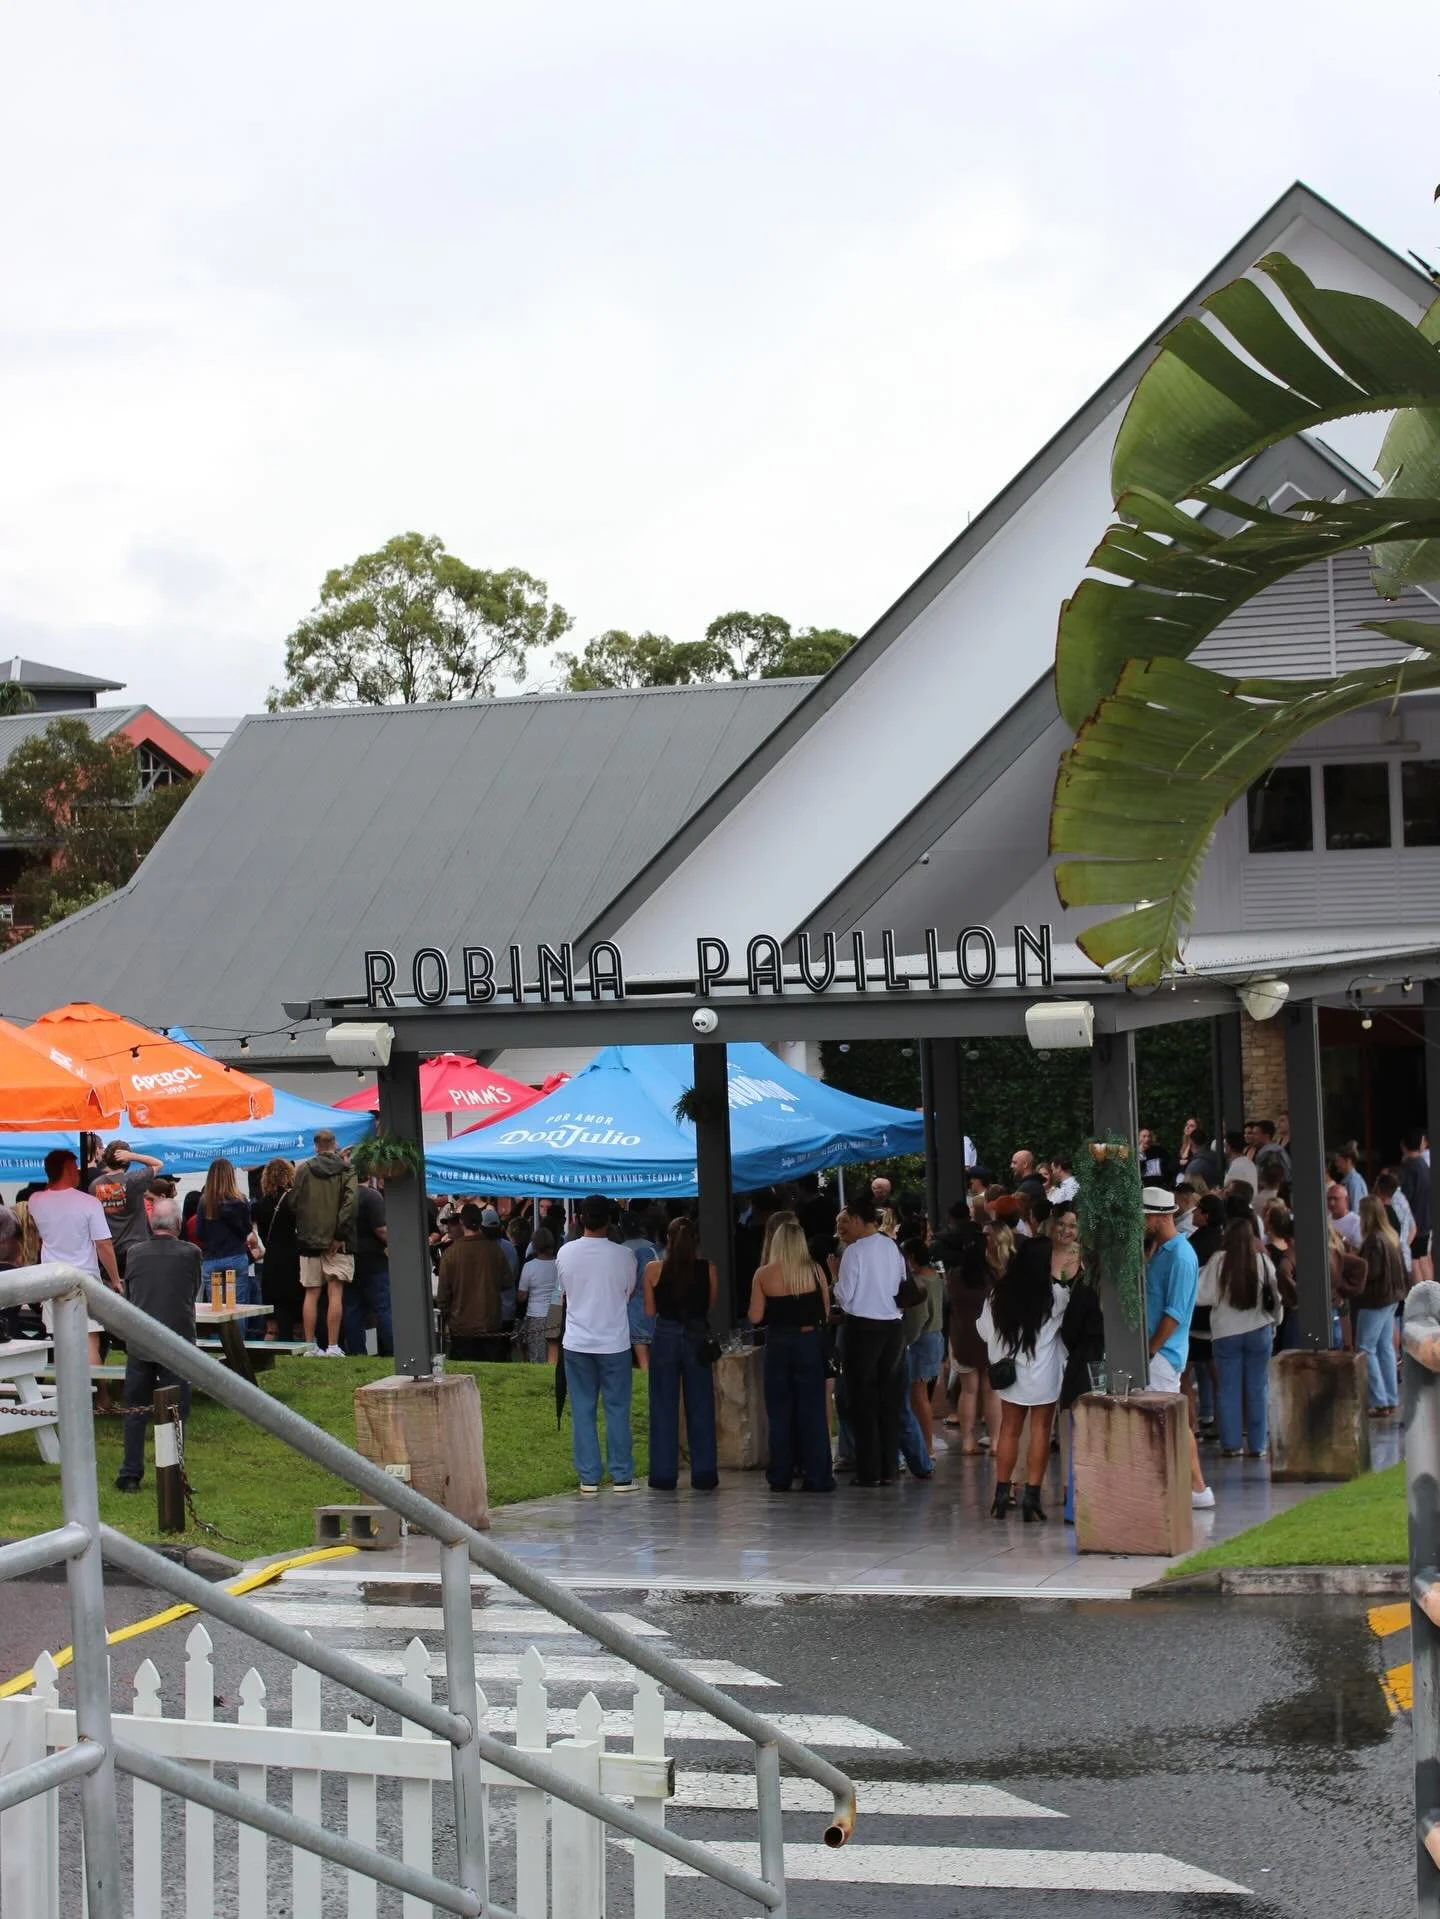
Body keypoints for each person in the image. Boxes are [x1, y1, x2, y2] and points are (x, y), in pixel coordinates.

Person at [113, 1198, 203, 1493]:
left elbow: (131, 1293)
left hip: (141, 1339)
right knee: (175, 1412)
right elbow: (193, 1290)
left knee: (135, 1409)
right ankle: (173, 1474)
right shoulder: (191, 1253)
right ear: (178, 1224)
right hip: (177, 1340)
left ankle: (130, 1473)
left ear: (152, 1225)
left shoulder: (134, 1253)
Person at [977, 1235, 1068, 1521]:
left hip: (1011, 1375)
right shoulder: (1056, 1296)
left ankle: (1002, 1495)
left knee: (1009, 1429)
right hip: (1043, 1375)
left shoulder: (998, 1294)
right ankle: (1032, 1497)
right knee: (1040, 1431)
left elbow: (984, 1331)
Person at [556, 1194, 637, 1493]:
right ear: (610, 1220)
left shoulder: (566, 1252)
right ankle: (621, 1474)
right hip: (614, 1341)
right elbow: (629, 1292)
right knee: (617, 1408)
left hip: (577, 1340)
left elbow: (564, 1293)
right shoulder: (625, 1255)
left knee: (582, 1409)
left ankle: (588, 1476)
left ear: (579, 1219)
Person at [749, 1214, 834, 1493]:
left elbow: (755, 1316)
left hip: (779, 1343)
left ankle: (781, 1475)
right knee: (813, 1410)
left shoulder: (763, 1274)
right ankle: (818, 1475)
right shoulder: (815, 1270)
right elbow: (825, 1312)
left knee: (779, 1410)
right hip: (809, 1342)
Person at [1142, 1187, 1213, 1510]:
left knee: (1169, 1421)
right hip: (1160, 1352)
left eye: (1145, 1217)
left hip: (1163, 1354)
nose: (1142, 1223)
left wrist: (1151, 1349)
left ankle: (1196, 1487)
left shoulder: (1181, 1256)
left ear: (1160, 1217)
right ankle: (1194, 1487)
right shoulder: (1163, 1250)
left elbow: (1175, 1312)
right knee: (1171, 1421)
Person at [832, 1190, 907, 1488]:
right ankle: (889, 1467)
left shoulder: (854, 1252)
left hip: (863, 1327)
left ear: (857, 1220)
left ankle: (869, 1471)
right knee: (889, 1400)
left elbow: (845, 1296)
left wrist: (834, 1278)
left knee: (863, 1400)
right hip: (893, 1327)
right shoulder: (892, 1246)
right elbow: (902, 1285)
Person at [28, 1149, 122, 1386]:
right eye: (76, 1166)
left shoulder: (35, 1201)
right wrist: (115, 1280)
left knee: (63, 1343)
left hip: (50, 1279)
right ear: (69, 1169)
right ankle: (99, 1396)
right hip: (84, 1279)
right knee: (89, 1342)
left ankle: (68, 1393)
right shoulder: (88, 1203)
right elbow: (103, 1244)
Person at [643, 1216, 719, 1492]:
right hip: (695, 1335)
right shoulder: (708, 1269)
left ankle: (663, 1474)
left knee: (663, 1405)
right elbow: (709, 1305)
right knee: (701, 1405)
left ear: (668, 1239)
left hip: (666, 1334)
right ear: (696, 1239)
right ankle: (705, 1473)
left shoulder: (653, 1269)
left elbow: (650, 1311)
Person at [1198, 1218, 1282, 1458]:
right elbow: (1276, 1297)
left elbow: (1201, 1296)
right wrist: (1276, 1322)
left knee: (1228, 1389)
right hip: (1260, 1330)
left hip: (1226, 1333)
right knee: (1258, 1389)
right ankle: (1258, 1445)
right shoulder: (1263, 1261)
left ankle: (1232, 1444)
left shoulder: (1218, 1261)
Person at [291, 1130, 358, 1357]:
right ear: (335, 1144)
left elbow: (293, 1201)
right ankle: (333, 1345)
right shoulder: (347, 1170)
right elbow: (350, 1204)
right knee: (335, 1293)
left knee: (311, 1293)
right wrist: (339, 1235)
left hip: (309, 1240)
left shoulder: (304, 1169)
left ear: (315, 1146)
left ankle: (310, 1345)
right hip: (339, 1243)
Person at [195, 1157, 262, 1334]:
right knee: (237, 1307)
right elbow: (247, 1229)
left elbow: (199, 1232)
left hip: (212, 1258)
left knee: (216, 1308)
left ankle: (221, 1342)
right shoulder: (241, 1200)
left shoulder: (205, 1202)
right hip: (236, 1256)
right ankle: (238, 1344)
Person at [1354, 1194, 1407, 1415]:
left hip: (1376, 1299)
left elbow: (1371, 1272)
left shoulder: (1374, 1241)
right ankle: (1391, 1398)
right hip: (1391, 1298)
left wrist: (1354, 1264)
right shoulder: (1390, 1236)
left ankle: (1380, 1400)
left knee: (1366, 1348)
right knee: (1385, 1348)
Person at [437, 1202, 510, 1359]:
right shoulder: (494, 1250)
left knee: (463, 1371)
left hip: (461, 1326)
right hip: (489, 1322)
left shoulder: (450, 1253)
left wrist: (449, 1317)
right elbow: (507, 1282)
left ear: (462, 1222)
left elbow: (443, 1295)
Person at [899, 1236, 944, 1475]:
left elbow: (918, 1318)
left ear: (912, 1258)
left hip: (921, 1340)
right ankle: (926, 1445)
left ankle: (926, 1447)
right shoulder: (935, 1277)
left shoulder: (918, 1281)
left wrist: (905, 1341)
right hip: (935, 1337)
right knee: (921, 1395)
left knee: (918, 1396)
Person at [86, 1141, 163, 1276]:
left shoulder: (95, 1186)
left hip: (110, 1250)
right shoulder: (134, 1180)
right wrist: (133, 1156)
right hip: (136, 1248)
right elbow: (158, 1164)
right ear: (127, 1161)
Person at [253, 1160, 302, 1342]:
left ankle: (271, 1351)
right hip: (293, 1261)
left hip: (271, 1263)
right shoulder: (294, 1202)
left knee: (272, 1325)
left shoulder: (259, 1206)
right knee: (296, 1322)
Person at [344, 1176, 393, 1357]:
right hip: (374, 1262)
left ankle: (357, 1352)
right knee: (383, 1309)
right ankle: (393, 1350)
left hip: (349, 1259)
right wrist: (394, 1243)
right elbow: (381, 1229)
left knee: (353, 1310)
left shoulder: (344, 1196)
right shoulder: (372, 1197)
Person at [621, 1207, 661, 1371]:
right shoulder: (653, 1248)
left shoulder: (621, 1250)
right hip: (657, 1306)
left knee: (642, 1357)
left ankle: (646, 1378)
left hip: (634, 1307)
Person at [516, 1225, 559, 1362]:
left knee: (537, 1354)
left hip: (535, 1315)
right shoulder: (558, 1264)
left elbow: (521, 1296)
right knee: (554, 1355)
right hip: (555, 1313)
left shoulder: (529, 1266)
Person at [1402, 1130, 1433, 1287]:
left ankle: (1420, 1297)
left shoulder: (1409, 1167)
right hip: (1426, 1220)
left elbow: (1406, 1196)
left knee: (1414, 1260)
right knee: (1424, 1258)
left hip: (1414, 1222)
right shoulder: (1424, 1165)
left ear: (1403, 1145)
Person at [1333, 1144, 1368, 1218]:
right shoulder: (1349, 1180)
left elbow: (1355, 1210)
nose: (1336, 1164)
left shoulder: (1353, 1181)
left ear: (1348, 1161)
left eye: (1338, 1160)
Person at [1327, 1180, 1362, 1251]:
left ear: (1346, 1200)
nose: (1331, 1203)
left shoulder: (1357, 1222)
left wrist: (1341, 1238)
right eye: (1329, 1199)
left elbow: (1358, 1251)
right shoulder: (1326, 1220)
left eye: (1336, 1199)